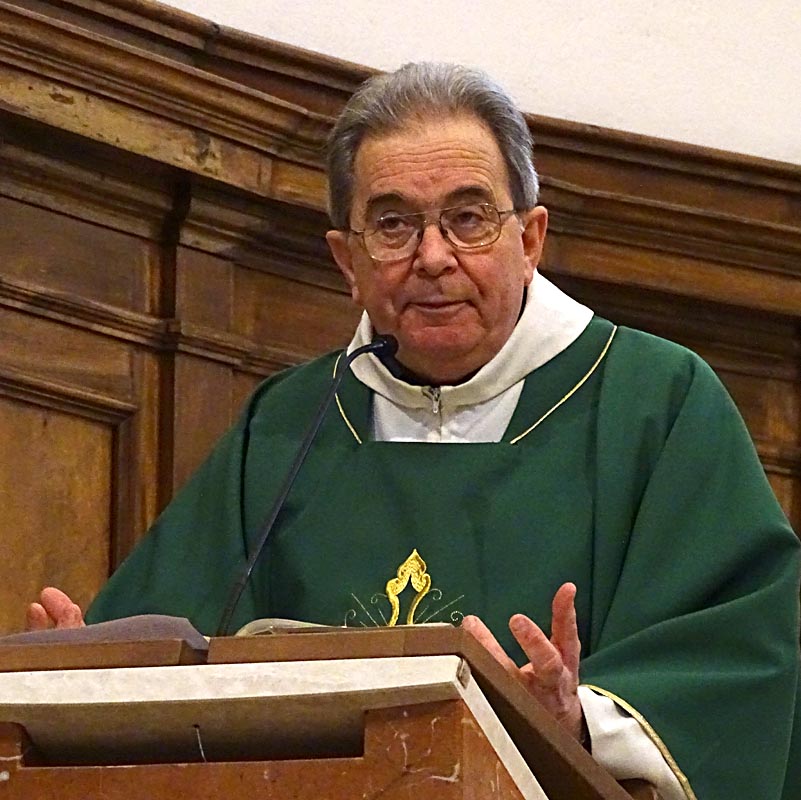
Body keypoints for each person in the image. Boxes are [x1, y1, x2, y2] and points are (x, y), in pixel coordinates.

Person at [28, 63, 800, 800]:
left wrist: (577, 723)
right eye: (392, 224)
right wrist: (95, 674)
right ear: (347, 260)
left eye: (467, 218)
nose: (432, 257)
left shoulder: (654, 401)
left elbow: (734, 660)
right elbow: (176, 650)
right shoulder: (290, 421)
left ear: (529, 239)